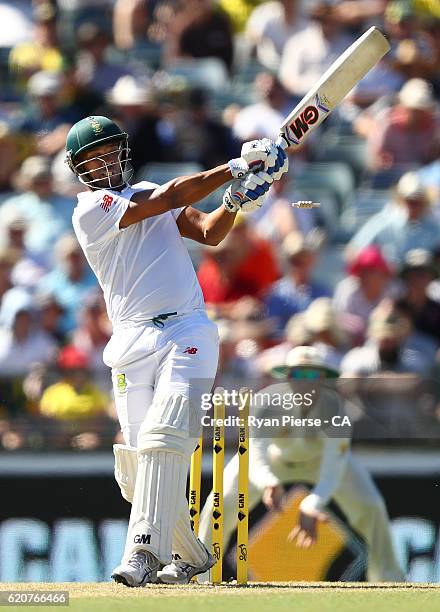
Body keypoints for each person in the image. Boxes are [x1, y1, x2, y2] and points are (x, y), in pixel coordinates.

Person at [64, 114, 288, 586]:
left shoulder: (148, 192)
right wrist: (235, 167)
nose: (103, 163)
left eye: (108, 152)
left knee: (166, 438)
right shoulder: (90, 209)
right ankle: (194, 555)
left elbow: (209, 232)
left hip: (188, 331)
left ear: (122, 152)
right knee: (135, 470)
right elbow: (169, 197)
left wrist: (236, 199)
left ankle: (142, 556)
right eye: (91, 158)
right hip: (129, 340)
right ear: (78, 169)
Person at [198, 345, 406, 582]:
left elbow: (333, 468)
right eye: (298, 374)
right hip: (273, 462)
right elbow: (253, 453)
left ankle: (389, 579)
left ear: (323, 378)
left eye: (312, 375)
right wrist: (269, 482)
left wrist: (313, 503)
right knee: (219, 503)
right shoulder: (266, 403)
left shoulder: (335, 409)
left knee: (371, 506)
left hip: (320, 464)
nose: (305, 382)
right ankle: (201, 575)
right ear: (287, 376)